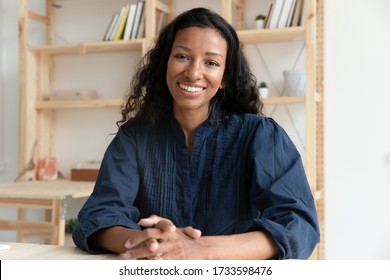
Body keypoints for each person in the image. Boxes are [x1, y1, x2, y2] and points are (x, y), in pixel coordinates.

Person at [72, 7, 320, 260]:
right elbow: (98, 217)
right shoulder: (134, 136)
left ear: (224, 76)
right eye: (182, 56)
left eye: (211, 62)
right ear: (164, 64)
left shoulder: (261, 135)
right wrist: (148, 242)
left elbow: (298, 225)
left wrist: (199, 249)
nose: (193, 73)